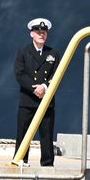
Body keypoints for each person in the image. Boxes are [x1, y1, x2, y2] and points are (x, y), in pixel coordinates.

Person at [14, 18, 59, 166]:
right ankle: (20, 160)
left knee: (46, 135)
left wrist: (45, 87)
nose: (41, 34)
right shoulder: (23, 52)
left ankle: (47, 164)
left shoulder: (53, 53)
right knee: (23, 134)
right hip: (28, 100)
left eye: (44, 32)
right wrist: (35, 89)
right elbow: (19, 74)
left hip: (46, 101)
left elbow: (57, 75)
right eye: (38, 32)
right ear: (31, 34)